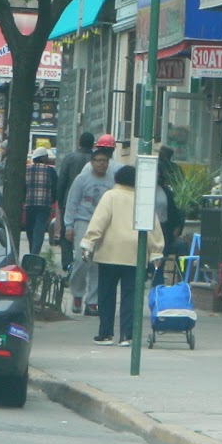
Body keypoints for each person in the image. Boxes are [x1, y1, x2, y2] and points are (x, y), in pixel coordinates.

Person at [80, 163, 164, 345]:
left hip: (110, 252)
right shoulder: (143, 199)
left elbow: (99, 222)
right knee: (131, 296)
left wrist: (88, 244)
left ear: (117, 179)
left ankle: (105, 334)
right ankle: (127, 335)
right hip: (135, 253)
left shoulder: (110, 196)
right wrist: (156, 252)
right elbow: (153, 226)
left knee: (106, 294)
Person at [63, 137, 117, 316]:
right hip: (83, 222)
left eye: (105, 161)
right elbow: (72, 202)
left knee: (97, 264)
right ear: (92, 162)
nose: (103, 164)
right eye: (99, 161)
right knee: (81, 259)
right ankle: (77, 293)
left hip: (103, 225)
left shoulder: (111, 181)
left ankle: (92, 301)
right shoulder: (82, 179)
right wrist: (68, 226)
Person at [56, 132, 96, 273]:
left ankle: (68, 263)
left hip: (70, 200)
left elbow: (62, 181)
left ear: (79, 142)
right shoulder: (96, 160)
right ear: (93, 144)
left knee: (66, 234)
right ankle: (87, 262)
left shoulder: (70, 158)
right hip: (91, 203)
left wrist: (59, 200)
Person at [23, 147, 58, 260]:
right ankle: (34, 254)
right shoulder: (50, 171)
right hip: (44, 205)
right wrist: (52, 199)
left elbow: (23, 187)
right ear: (43, 158)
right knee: (39, 230)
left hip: (30, 204)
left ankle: (31, 251)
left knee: (30, 230)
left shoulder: (27, 170)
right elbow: (55, 188)